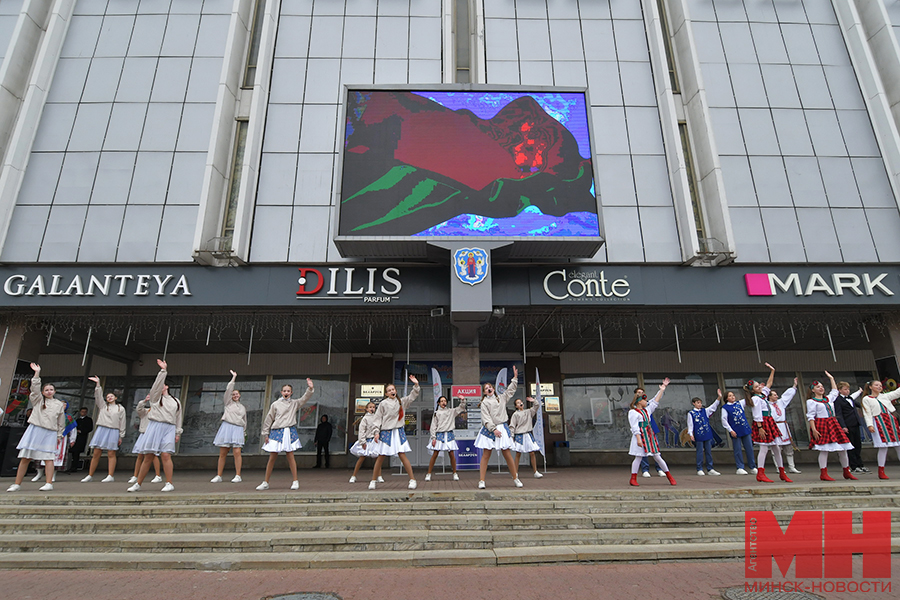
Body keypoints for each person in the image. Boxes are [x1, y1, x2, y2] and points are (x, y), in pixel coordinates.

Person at [7, 363, 66, 492]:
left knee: (49, 458)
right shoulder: (38, 400)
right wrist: (37, 373)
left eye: (51, 389)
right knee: (25, 457)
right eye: (46, 390)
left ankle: (48, 483)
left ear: (55, 391)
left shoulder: (59, 404)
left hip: (50, 432)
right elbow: (34, 388)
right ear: (43, 392)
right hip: (35, 430)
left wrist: (59, 435)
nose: (49, 391)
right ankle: (17, 484)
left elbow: (61, 422)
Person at [127, 359, 184, 492]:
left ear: (167, 387)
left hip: (169, 427)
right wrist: (163, 371)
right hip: (155, 426)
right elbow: (155, 386)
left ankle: (169, 483)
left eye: (163, 385)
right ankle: (138, 483)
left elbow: (178, 417)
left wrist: (177, 432)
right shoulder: (155, 398)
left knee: (166, 455)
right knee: (149, 456)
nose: (161, 386)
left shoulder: (175, 401)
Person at [257, 379, 315, 490]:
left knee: (290, 456)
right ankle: (265, 482)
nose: (286, 393)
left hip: (289, 431)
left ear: (291, 392)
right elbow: (269, 418)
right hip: (277, 431)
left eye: (288, 391)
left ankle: (295, 481)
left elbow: (304, 398)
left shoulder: (294, 403)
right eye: (284, 391)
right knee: (272, 457)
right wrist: (265, 433)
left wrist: (310, 389)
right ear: (281, 392)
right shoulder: (275, 404)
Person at [475, 366, 523, 489]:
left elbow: (510, 391)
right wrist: (493, 429)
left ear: (493, 388)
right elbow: (485, 418)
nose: (488, 388)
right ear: (484, 392)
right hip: (490, 429)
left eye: (489, 387)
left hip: (502, 427)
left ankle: (515, 478)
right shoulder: (484, 403)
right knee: (486, 454)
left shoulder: (501, 398)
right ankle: (481, 480)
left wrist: (515, 379)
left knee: (507, 454)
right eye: (486, 388)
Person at [369, 375, 420, 490]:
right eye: (389, 390)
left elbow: (412, 396)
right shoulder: (383, 404)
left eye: (393, 389)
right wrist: (376, 432)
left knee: (402, 454)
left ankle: (412, 480)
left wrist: (416, 385)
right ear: (386, 393)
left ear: (396, 391)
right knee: (381, 456)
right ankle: (373, 480)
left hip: (398, 432)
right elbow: (377, 419)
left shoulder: (401, 402)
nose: (392, 391)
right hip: (386, 432)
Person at [806, 371, 855, 482]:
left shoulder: (828, 399)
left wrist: (832, 378)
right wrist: (814, 429)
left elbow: (834, 391)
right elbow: (811, 416)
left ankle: (846, 471)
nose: (821, 388)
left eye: (822, 386)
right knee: (824, 449)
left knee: (843, 448)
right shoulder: (811, 401)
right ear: (813, 390)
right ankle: (823, 473)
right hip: (822, 424)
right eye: (818, 387)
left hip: (833, 424)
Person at [747, 362, 791, 483]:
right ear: (753, 391)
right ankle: (760, 473)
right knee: (764, 448)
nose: (760, 387)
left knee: (776, 447)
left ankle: (782, 472)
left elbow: (769, 384)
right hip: (763, 422)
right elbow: (757, 414)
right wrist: (760, 427)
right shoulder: (756, 399)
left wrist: (772, 371)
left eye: (759, 385)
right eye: (756, 387)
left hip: (769, 421)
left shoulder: (763, 395)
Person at [628, 379, 676, 487]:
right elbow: (634, 426)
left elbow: (655, 401)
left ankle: (669, 476)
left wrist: (662, 390)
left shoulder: (647, 410)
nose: (646, 402)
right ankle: (633, 478)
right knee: (638, 457)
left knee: (657, 456)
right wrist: (638, 439)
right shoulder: (633, 412)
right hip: (640, 435)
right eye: (644, 400)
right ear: (639, 401)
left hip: (649, 435)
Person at [81, 377, 126, 483]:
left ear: (115, 397)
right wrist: (98, 385)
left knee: (111, 453)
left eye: (111, 396)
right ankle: (90, 475)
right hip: (102, 429)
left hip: (114, 430)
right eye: (107, 397)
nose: (109, 398)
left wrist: (121, 435)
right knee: (96, 452)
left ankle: (110, 475)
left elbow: (122, 422)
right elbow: (98, 397)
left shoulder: (120, 408)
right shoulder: (103, 406)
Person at [860, 379, 900, 479]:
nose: (879, 387)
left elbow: (897, 393)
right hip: (878, 422)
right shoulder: (866, 399)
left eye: (880, 385)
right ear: (870, 387)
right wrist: (869, 425)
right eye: (876, 385)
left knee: (898, 445)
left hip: (891, 421)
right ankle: (881, 470)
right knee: (883, 447)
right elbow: (867, 413)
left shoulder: (885, 396)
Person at [211, 370, 245, 483]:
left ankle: (238, 475)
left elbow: (245, 420)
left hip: (238, 428)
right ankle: (219, 475)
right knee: (223, 452)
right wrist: (234, 378)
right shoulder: (228, 403)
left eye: (237, 394)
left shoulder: (242, 407)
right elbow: (228, 389)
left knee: (237, 451)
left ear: (240, 395)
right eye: (233, 394)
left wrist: (244, 431)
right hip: (227, 426)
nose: (235, 395)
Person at [424, 395, 467, 482]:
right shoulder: (437, 413)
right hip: (440, 434)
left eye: (445, 401)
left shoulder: (451, 411)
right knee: (435, 454)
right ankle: (428, 474)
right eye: (441, 401)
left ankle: (455, 473)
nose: (443, 402)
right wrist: (433, 437)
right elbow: (433, 426)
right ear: (439, 403)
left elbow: (461, 408)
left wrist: (463, 400)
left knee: (451, 454)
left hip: (449, 434)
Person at [128, 395, 161, 485]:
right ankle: (135, 476)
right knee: (140, 455)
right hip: (143, 434)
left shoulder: (159, 412)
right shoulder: (145, 412)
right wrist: (144, 401)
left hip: (152, 435)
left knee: (153, 455)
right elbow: (139, 409)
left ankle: (158, 475)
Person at [721, 390, 756, 475]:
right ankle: (740, 467)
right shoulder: (725, 408)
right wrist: (730, 430)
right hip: (735, 430)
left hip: (745, 429)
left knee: (749, 448)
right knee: (737, 449)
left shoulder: (739, 403)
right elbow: (724, 420)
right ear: (726, 398)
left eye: (733, 395)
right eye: (730, 396)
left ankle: (752, 466)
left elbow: (748, 398)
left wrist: (749, 390)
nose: (732, 397)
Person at [769, 381, 800, 475]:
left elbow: (787, 396)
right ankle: (779, 467)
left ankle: (792, 467)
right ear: (769, 396)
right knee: (776, 449)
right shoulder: (766, 404)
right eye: (774, 395)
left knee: (789, 448)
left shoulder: (781, 403)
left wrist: (794, 386)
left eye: (776, 394)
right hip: (774, 426)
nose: (776, 396)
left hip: (784, 426)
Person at [835, 381, 867, 473]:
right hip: (848, 425)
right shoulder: (838, 400)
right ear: (840, 390)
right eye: (845, 389)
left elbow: (859, 405)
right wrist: (843, 426)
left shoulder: (850, 399)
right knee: (851, 446)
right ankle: (854, 466)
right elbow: (839, 414)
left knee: (858, 445)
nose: (847, 391)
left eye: (848, 389)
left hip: (856, 423)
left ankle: (860, 464)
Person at [687, 391, 721, 476]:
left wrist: (719, 398)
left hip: (707, 434)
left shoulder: (705, 411)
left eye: (700, 403)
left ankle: (710, 468)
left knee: (708, 451)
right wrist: (691, 434)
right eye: (698, 403)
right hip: (698, 435)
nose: (700, 404)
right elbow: (690, 424)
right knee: (699, 452)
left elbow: (713, 406)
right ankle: (699, 468)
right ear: (693, 403)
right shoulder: (691, 413)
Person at [634, 385, 665, 477]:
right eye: (639, 393)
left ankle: (659, 469)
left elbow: (655, 400)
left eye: (642, 392)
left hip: (651, 430)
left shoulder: (647, 406)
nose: (641, 394)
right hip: (642, 431)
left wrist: (661, 390)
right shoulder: (634, 409)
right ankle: (645, 469)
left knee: (656, 450)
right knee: (642, 451)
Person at [510, 395, 543, 479]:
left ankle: (535, 471)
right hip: (519, 435)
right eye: (518, 403)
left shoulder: (529, 412)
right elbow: (512, 425)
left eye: (521, 402)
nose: (520, 403)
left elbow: (537, 406)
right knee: (518, 453)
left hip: (528, 434)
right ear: (516, 406)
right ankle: (515, 472)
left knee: (532, 453)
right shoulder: (515, 414)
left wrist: (533, 401)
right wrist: (512, 436)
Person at [349, 402, 382, 484]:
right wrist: (362, 441)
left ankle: (379, 476)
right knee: (362, 457)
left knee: (377, 458)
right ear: (367, 409)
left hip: (374, 441)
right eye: (370, 407)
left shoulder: (377, 417)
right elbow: (361, 431)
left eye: (374, 407)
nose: (372, 409)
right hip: (366, 441)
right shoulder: (365, 418)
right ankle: (353, 476)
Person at [68, 406, 92, 472]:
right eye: (82, 412)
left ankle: (74, 467)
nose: (83, 413)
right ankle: (71, 466)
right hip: (75, 437)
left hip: (82, 437)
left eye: (84, 412)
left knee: (77, 452)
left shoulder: (88, 420)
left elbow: (90, 428)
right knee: (73, 452)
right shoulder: (77, 420)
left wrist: (81, 431)